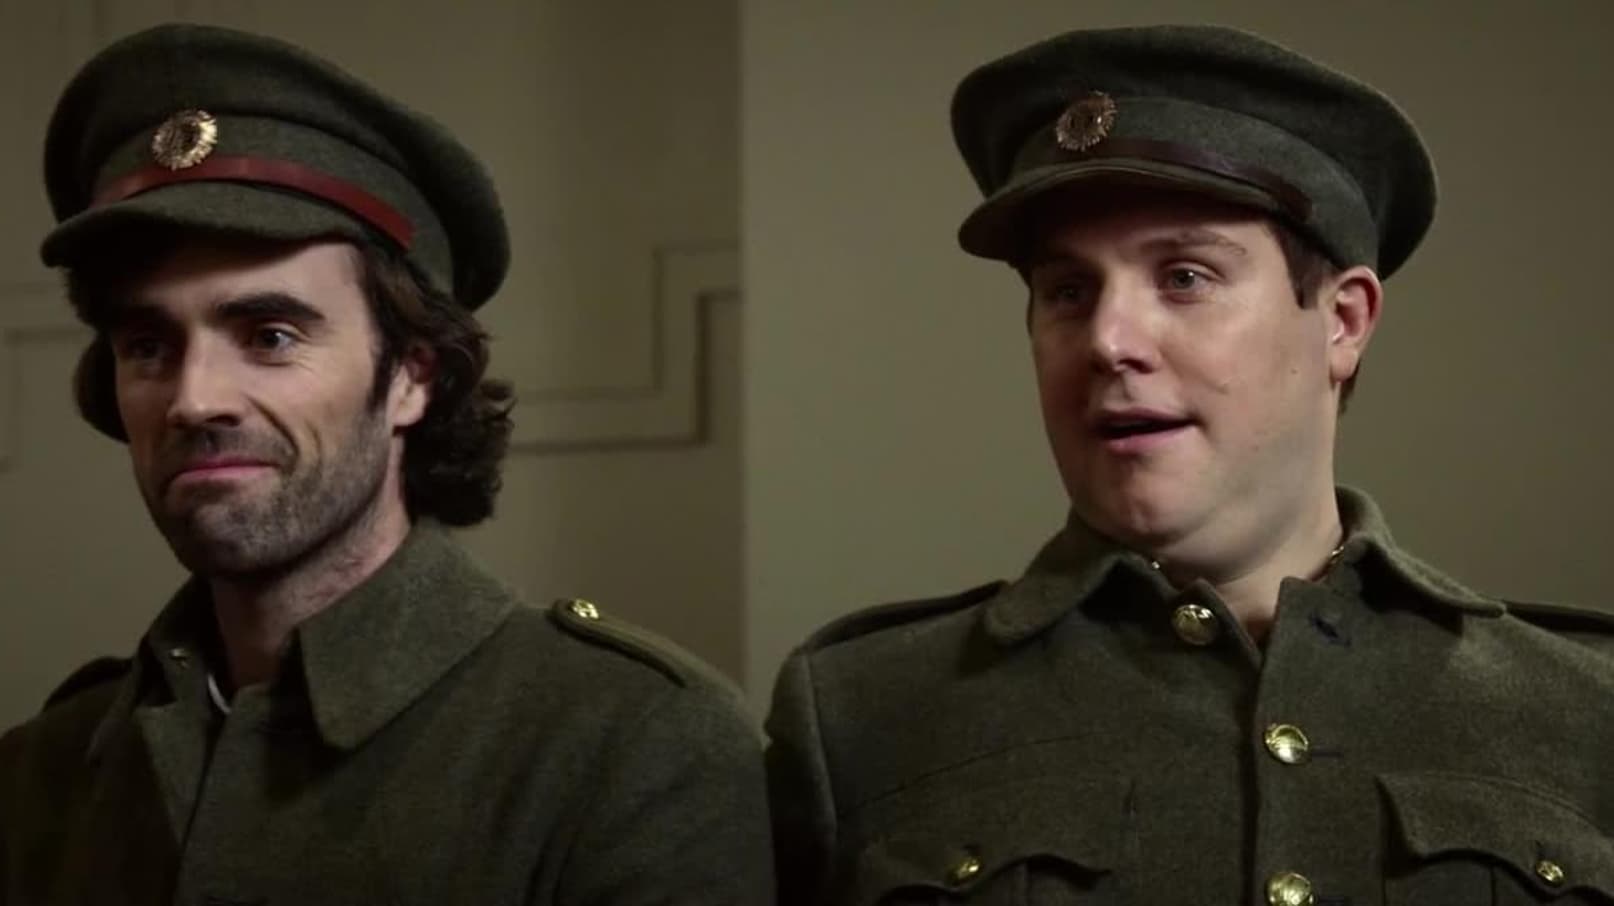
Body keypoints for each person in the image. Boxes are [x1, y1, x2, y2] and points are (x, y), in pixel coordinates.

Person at [766, 23, 1614, 906]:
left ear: (1343, 322)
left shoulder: (1584, 706)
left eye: (1184, 278)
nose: (1108, 341)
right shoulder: (863, 714)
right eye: (1068, 291)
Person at [0, 23, 771, 905]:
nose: (193, 399)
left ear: (412, 376)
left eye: (271, 336)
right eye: (147, 345)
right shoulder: (42, 771)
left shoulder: (631, 743)